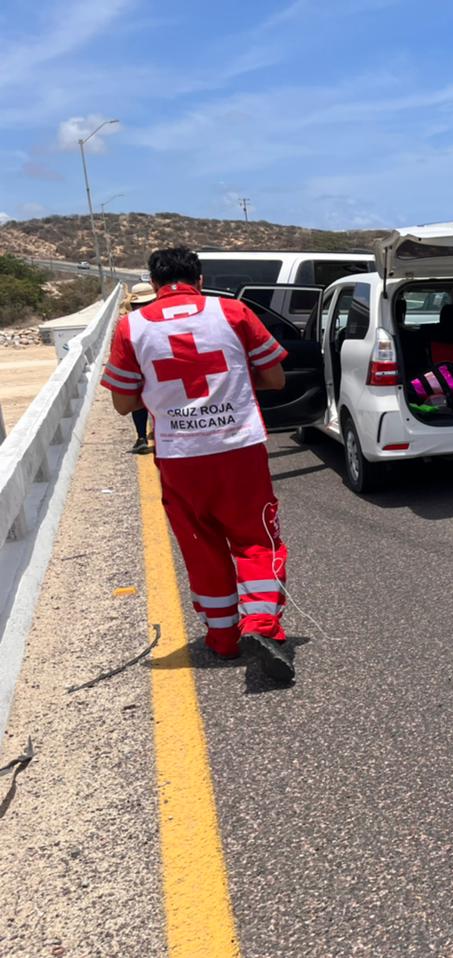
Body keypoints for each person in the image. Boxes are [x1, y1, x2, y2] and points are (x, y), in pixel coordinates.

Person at [100, 248, 295, 682]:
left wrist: (167, 401)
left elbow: (121, 403)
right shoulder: (234, 311)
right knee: (255, 538)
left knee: (201, 545)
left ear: (153, 284)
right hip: (239, 448)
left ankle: (223, 640)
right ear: (200, 279)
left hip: (180, 457)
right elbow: (276, 378)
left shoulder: (131, 326)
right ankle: (263, 625)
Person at [122, 282, 156, 453]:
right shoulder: (160, 317)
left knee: (138, 402)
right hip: (159, 364)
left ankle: (141, 436)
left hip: (137, 364)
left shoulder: (128, 321)